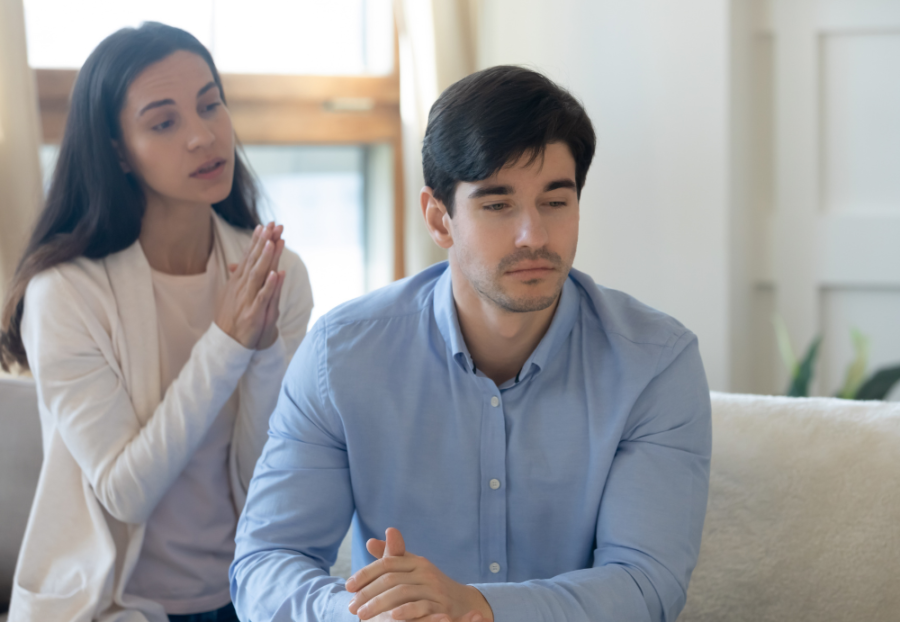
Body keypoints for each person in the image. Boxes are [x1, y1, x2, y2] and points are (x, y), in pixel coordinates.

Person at [230, 66, 711, 622]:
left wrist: (475, 606)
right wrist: (373, 615)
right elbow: (267, 560)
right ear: (440, 218)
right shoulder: (342, 358)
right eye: (498, 204)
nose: (533, 234)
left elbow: (647, 585)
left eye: (556, 201)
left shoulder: (655, 363)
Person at [0, 23, 313, 622]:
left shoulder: (277, 273)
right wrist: (227, 343)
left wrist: (265, 348)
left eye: (210, 104)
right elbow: (125, 492)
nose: (202, 136)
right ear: (118, 150)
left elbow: (263, 485)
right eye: (164, 122)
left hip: (246, 591)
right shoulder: (66, 292)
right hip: (115, 605)